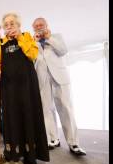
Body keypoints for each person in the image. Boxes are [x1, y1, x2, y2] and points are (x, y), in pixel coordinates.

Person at [0, 13, 49, 164]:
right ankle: (13, 153)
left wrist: (19, 39)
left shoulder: (27, 36)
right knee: (11, 117)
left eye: (12, 23)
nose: (9, 26)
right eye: (6, 25)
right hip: (9, 87)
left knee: (29, 115)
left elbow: (33, 55)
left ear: (18, 25)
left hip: (27, 85)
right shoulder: (0, 43)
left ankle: (31, 157)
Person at [32, 17, 86, 155]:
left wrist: (49, 38)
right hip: (42, 79)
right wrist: (33, 43)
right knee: (46, 109)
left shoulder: (57, 36)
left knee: (65, 107)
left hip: (60, 78)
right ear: (33, 28)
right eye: (36, 25)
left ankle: (74, 143)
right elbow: (31, 61)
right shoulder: (32, 42)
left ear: (46, 25)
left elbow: (63, 50)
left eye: (41, 24)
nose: (39, 27)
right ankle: (53, 139)